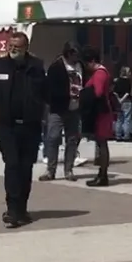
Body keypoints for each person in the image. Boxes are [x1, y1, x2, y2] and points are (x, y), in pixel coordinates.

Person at [0, 31, 46, 229]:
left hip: (30, 126)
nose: (12, 49)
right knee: (12, 164)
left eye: (17, 47)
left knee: (25, 167)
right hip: (6, 126)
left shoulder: (36, 66)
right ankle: (12, 209)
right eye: (10, 46)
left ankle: (22, 208)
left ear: (26, 48)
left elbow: (44, 94)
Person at [40, 42, 82, 182]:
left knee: (72, 139)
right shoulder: (56, 67)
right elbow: (48, 89)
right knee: (53, 138)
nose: (78, 56)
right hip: (58, 109)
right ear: (69, 53)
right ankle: (50, 170)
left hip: (75, 109)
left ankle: (68, 170)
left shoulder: (80, 66)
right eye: (75, 53)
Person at [79, 46, 114, 187]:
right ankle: (101, 174)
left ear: (92, 61)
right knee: (101, 144)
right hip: (102, 111)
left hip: (101, 113)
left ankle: (103, 175)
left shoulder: (99, 73)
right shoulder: (102, 72)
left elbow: (97, 93)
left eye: (87, 63)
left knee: (102, 143)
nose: (86, 67)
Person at [113, 66, 132, 141]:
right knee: (127, 119)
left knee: (119, 119)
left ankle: (118, 136)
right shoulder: (128, 81)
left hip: (119, 102)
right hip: (127, 101)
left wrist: (119, 99)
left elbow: (114, 92)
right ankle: (126, 136)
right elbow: (127, 93)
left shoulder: (117, 81)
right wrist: (123, 99)